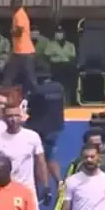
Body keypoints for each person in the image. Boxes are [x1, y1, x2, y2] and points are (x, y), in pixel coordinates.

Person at [0, 105, 48, 210]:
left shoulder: (32, 136)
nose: (13, 119)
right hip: (5, 191)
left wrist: (46, 186)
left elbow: (41, 163)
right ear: (3, 117)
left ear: (21, 117)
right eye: (9, 116)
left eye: (16, 115)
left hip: (28, 189)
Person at [25, 68, 65, 197]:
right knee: (51, 157)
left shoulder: (36, 91)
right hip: (56, 126)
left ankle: (44, 187)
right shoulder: (59, 87)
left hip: (39, 128)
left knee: (39, 159)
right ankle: (60, 182)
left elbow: (31, 109)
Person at [2, 0, 37, 93]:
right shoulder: (17, 14)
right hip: (18, 51)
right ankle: (6, 94)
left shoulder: (20, 14)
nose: (15, 4)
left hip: (25, 51)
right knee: (10, 75)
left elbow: (19, 32)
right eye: (13, 2)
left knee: (29, 78)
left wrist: (11, 32)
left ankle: (38, 95)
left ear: (21, 3)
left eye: (17, 2)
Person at [43, 26, 77, 102]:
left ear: (64, 34)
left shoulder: (70, 45)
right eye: (57, 33)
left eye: (60, 33)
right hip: (56, 65)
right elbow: (46, 56)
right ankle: (58, 99)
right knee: (57, 81)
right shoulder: (50, 44)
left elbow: (73, 57)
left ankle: (69, 100)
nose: (59, 34)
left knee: (70, 80)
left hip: (67, 65)